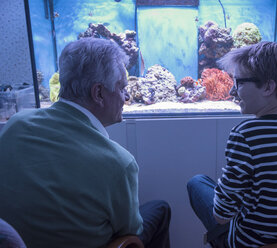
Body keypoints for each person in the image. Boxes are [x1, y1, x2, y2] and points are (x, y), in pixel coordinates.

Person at [0, 37, 171, 248]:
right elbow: (131, 231)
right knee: (161, 209)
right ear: (98, 93)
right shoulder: (118, 163)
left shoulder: (16, 124)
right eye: (121, 88)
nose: (126, 97)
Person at [187, 41, 277, 248]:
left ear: (269, 87)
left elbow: (221, 215)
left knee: (196, 182)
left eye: (240, 83)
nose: (233, 92)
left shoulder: (244, 135)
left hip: (252, 244)